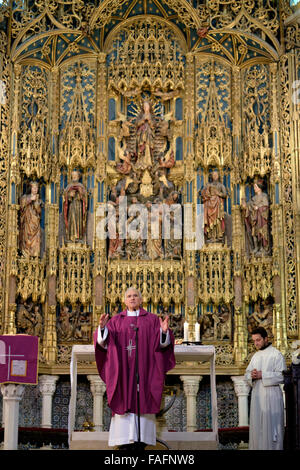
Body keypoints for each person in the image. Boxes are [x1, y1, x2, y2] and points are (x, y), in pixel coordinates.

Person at [93, 287, 175, 450]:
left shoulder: (152, 320)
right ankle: (124, 446)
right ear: (124, 300)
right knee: (124, 407)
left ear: (141, 299)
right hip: (123, 373)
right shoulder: (116, 321)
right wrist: (102, 329)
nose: (132, 298)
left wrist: (164, 332)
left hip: (144, 373)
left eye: (135, 296)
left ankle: (141, 444)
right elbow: (103, 344)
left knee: (143, 408)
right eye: (129, 296)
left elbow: (162, 345)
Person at [245, 326, 286, 450]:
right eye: (254, 341)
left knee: (272, 429)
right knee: (258, 429)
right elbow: (247, 374)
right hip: (257, 397)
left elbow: (282, 376)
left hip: (272, 397)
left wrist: (263, 375)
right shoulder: (255, 356)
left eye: (258, 340)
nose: (256, 343)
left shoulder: (276, 354)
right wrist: (251, 376)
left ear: (266, 338)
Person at [19, 181, 42, 257]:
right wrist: (30, 199)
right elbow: (21, 205)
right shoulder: (25, 197)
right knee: (26, 236)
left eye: (37, 188)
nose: (35, 189)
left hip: (35, 221)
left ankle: (34, 253)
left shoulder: (39, 199)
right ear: (30, 188)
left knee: (36, 237)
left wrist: (36, 203)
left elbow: (39, 211)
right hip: (27, 221)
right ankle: (26, 252)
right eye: (34, 187)